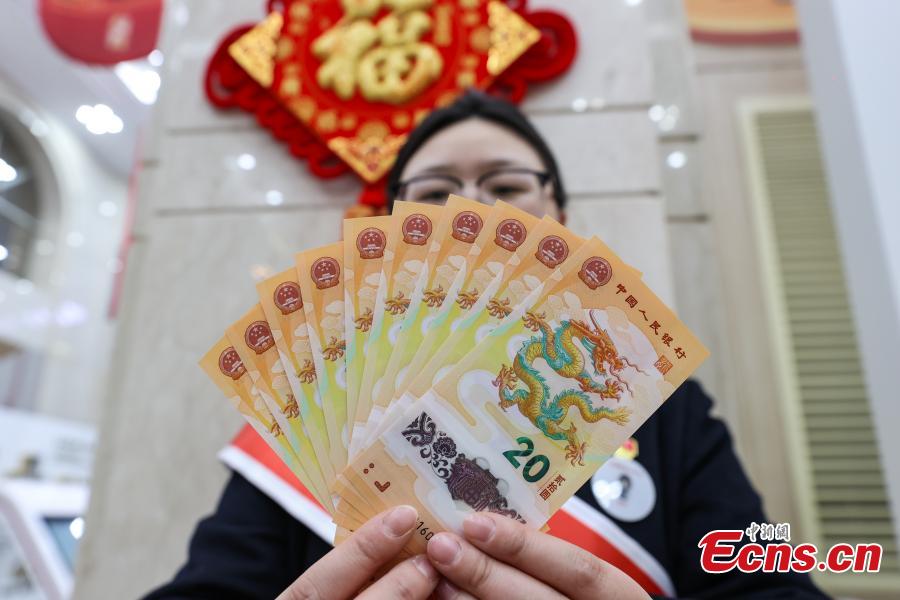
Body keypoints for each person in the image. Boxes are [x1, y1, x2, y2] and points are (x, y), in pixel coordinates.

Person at [146, 91, 827, 599]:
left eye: (506, 186)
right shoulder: (311, 408)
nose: (471, 207)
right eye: (435, 191)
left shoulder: (667, 408)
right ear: (390, 229)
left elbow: (771, 581)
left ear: (560, 220)